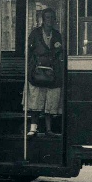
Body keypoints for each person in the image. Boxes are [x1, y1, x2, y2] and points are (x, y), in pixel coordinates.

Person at [27, 7, 64, 136]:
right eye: (47, 17)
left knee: (50, 101)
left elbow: (60, 52)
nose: (50, 20)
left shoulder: (57, 35)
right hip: (37, 71)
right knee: (35, 101)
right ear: (43, 19)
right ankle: (33, 128)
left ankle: (49, 130)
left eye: (52, 18)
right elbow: (29, 52)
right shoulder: (35, 33)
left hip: (52, 72)